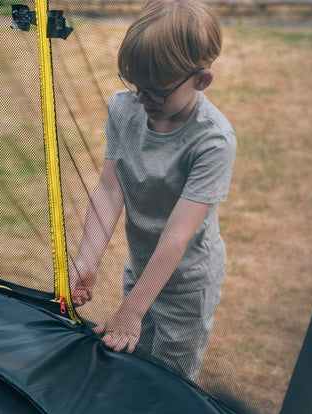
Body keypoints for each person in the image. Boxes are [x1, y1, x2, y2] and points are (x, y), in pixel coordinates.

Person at [69, 0, 236, 383]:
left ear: (201, 79)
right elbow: (111, 189)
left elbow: (177, 236)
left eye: (157, 92)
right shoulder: (125, 110)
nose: (143, 101)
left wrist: (131, 310)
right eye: (136, 86)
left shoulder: (212, 142)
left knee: (169, 384)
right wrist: (88, 259)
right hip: (142, 268)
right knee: (134, 366)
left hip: (186, 287)